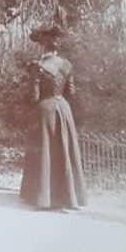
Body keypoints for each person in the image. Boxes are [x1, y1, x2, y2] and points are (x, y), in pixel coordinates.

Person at [19, 24, 87, 213]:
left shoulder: (37, 66)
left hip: (45, 110)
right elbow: (71, 92)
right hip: (63, 108)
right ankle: (68, 196)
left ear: (43, 45)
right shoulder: (66, 65)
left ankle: (42, 196)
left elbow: (33, 96)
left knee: (45, 151)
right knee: (64, 149)